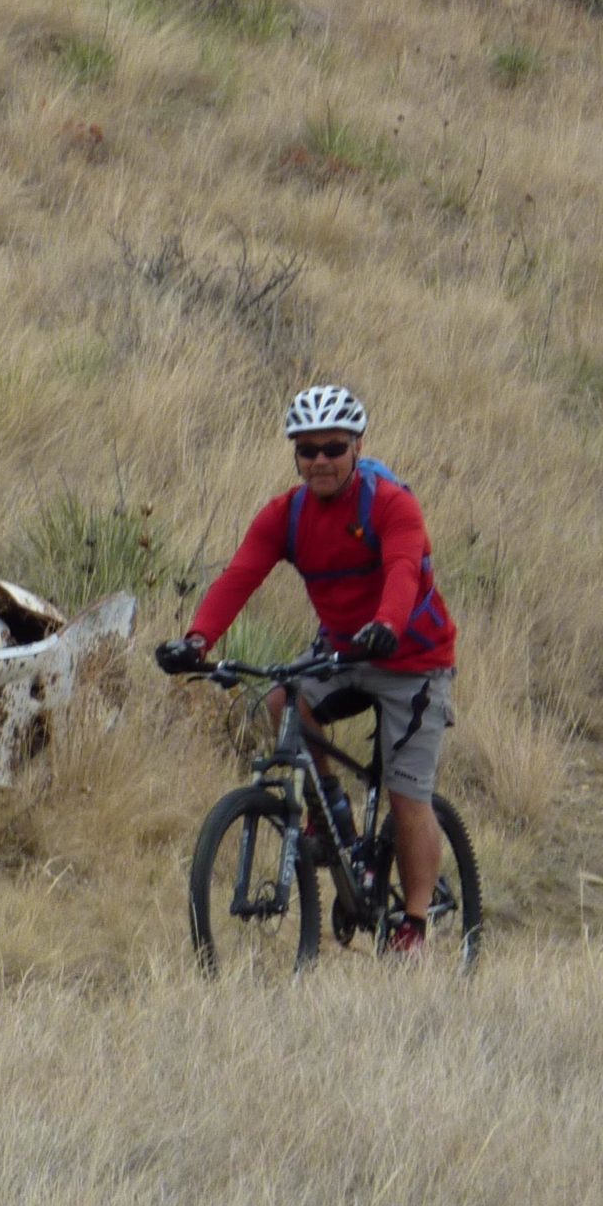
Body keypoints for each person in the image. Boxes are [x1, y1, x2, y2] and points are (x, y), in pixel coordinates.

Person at [155, 384, 457, 959]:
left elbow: (402, 571)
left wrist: (388, 624)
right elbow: (239, 576)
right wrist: (196, 640)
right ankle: (328, 813)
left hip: (411, 662)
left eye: (333, 448)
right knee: (280, 699)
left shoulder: (391, 505)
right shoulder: (286, 515)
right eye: (307, 449)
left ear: (356, 447)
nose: (319, 460)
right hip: (341, 651)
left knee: (406, 795)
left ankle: (414, 924)